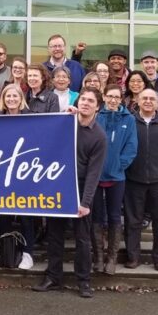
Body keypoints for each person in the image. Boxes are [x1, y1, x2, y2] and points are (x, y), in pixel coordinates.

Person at [33, 88, 107, 298]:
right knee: (54, 235)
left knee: (83, 238)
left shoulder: (99, 137)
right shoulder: (67, 123)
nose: (85, 103)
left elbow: (94, 173)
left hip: (82, 189)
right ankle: (53, 277)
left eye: (90, 101)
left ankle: (83, 281)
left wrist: (85, 203)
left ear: (97, 107)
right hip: (60, 185)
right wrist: (64, 116)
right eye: (83, 99)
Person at [124, 89, 158, 272]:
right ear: (138, 101)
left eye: (152, 99)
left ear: (157, 103)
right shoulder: (129, 121)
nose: (148, 101)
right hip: (134, 180)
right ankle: (133, 257)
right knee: (133, 221)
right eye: (144, 98)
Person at [93, 85, 138, 275]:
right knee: (96, 217)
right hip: (95, 176)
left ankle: (111, 258)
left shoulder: (129, 119)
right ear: (103, 97)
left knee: (113, 216)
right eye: (109, 96)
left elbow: (131, 146)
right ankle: (98, 257)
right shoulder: (96, 116)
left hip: (117, 176)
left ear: (121, 99)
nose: (112, 100)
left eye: (116, 97)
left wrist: (119, 165)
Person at [0, 84, 36, 270]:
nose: (11, 99)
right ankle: (4, 251)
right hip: (4, 174)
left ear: (21, 99)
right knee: (4, 216)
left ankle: (28, 254)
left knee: (27, 216)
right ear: (3, 99)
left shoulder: (31, 119)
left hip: (26, 173)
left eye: (15, 96)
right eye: (8, 96)